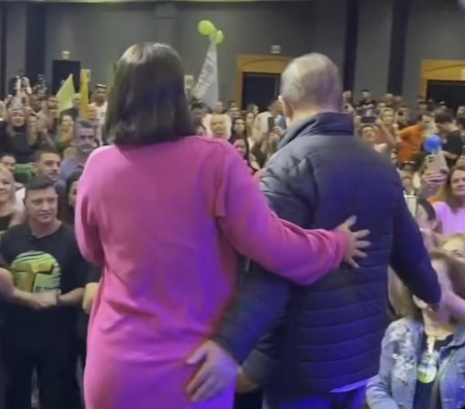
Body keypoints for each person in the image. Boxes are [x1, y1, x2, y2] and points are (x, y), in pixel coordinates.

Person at [74, 43, 369, 409]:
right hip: (195, 372)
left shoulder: (98, 165)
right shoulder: (215, 159)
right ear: (179, 97)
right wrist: (335, 244)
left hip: (114, 367)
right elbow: (273, 246)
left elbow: (92, 250)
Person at [198, 53, 442, 408]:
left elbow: (270, 272)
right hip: (360, 358)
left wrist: (230, 347)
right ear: (340, 101)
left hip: (301, 366)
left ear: (285, 105)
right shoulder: (380, 165)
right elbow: (411, 254)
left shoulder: (287, 166)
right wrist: (433, 293)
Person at [0, 176, 87, 409]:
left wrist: (58, 300)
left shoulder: (74, 239)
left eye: (51, 200)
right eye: (38, 202)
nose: (46, 207)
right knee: (14, 395)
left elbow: (85, 287)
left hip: (59, 334)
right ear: (25, 204)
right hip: (15, 331)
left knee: (59, 396)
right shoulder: (11, 237)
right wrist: (25, 298)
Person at [367, 251, 465, 409]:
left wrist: (447, 299)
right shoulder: (398, 331)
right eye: (419, 281)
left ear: (454, 288)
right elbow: (377, 387)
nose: (423, 286)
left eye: (434, 280)